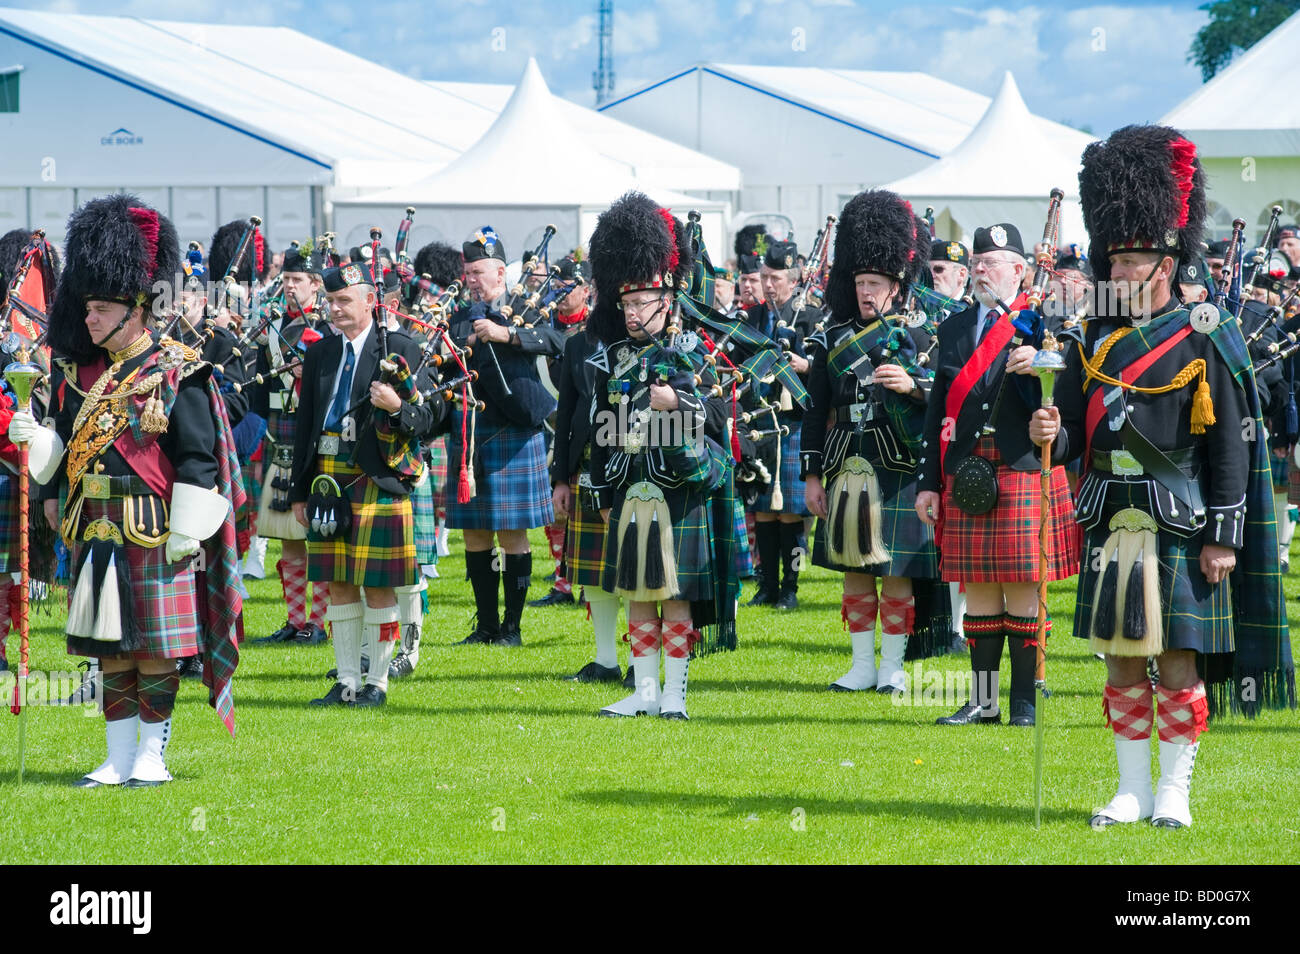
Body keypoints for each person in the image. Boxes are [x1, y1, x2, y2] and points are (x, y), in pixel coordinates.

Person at [1031, 124, 1294, 828]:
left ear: (1168, 261)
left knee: (1178, 660)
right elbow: (1080, 439)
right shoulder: (1093, 336)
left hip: (1182, 522)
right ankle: (1130, 791)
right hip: (1108, 518)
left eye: (1133, 260)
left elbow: (1236, 446)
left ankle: (1174, 790)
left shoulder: (1206, 331)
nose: (1118, 274)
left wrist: (1225, 537)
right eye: (1113, 260)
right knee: (1120, 658)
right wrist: (1050, 438)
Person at [25, 193, 242, 786]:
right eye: (86, 307)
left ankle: (153, 753)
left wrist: (186, 527)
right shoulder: (76, 377)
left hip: (154, 520)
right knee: (110, 645)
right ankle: (117, 756)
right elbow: (65, 451)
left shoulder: (178, 370)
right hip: (93, 517)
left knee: (155, 646)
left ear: (136, 309)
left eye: (100, 308)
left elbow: (198, 456)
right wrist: (35, 441)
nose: (88, 318)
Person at [917, 222, 1080, 727]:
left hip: (1024, 465)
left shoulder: (1043, 324)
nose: (983, 269)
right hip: (968, 467)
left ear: (1019, 270)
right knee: (980, 585)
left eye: (994, 262)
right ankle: (984, 702)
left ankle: (1025, 704)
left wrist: (1044, 364)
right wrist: (929, 481)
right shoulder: (955, 327)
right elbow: (937, 409)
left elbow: (1068, 399)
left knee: (1025, 586)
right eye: (978, 261)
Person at [587, 192, 731, 719]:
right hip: (630, 486)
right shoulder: (613, 358)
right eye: (624, 304)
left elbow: (719, 416)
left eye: (640, 303)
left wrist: (680, 401)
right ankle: (644, 693)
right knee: (637, 591)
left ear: (666, 299)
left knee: (675, 594)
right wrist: (602, 490)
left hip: (681, 489)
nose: (630, 313)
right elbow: (602, 429)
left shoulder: (696, 348)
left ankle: (675, 695)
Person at [802, 191, 949, 692]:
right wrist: (811, 474)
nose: (867, 293)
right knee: (853, 564)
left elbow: (946, 398)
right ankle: (862, 665)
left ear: (896, 285)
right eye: (861, 283)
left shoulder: (923, 334)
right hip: (846, 462)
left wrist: (914, 386)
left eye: (876, 284)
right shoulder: (832, 336)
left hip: (900, 462)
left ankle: (893, 667)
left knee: (896, 569)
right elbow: (815, 410)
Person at [290, 260, 442, 707]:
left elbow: (429, 418)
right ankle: (346, 680)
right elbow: (306, 427)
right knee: (337, 581)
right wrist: (299, 490)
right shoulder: (320, 352)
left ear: (370, 303)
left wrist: (397, 405)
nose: (334, 310)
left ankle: (377, 682)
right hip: (327, 478)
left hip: (376, 476)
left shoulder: (401, 347)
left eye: (343, 301)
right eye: (330, 301)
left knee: (377, 584)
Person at [445, 228, 560, 646]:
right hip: (473, 430)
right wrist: (467, 340)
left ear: (499, 271)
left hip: (516, 429)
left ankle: (511, 628)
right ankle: (486, 626)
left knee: (512, 533)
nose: (472, 279)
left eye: (478, 271)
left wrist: (506, 334)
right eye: (468, 272)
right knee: (476, 534)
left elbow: (555, 341)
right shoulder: (458, 315)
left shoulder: (523, 307)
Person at [745, 240, 811, 609]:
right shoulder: (753, 318)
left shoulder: (809, 317)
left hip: (793, 421)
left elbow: (826, 368)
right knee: (763, 510)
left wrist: (806, 366)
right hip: (760, 420)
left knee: (792, 514)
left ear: (793, 280)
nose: (769, 285)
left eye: (776, 278)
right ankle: (767, 584)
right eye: (764, 277)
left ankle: (791, 585)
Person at [532, 255, 593, 609]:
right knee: (553, 510)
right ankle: (562, 580)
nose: (560, 295)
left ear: (586, 290)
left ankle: (583, 578)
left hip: (579, 427)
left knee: (581, 508)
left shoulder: (593, 331)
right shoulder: (542, 323)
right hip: (548, 424)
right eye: (555, 288)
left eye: (568, 288)